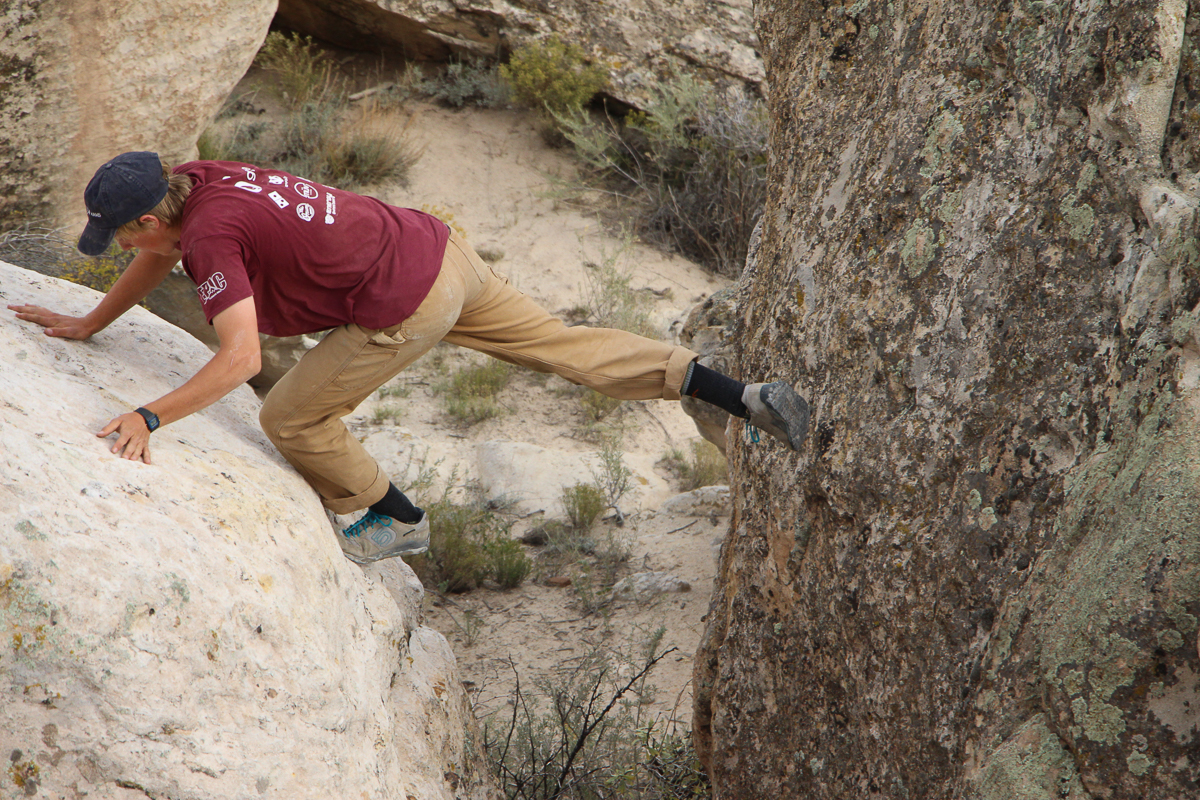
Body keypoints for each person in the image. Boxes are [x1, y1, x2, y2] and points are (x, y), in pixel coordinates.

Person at [8, 152, 810, 565]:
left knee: (288, 413)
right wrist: (90, 322)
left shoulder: (211, 235)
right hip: (439, 248)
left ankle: (395, 520)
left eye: (119, 233)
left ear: (149, 214)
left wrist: (151, 416)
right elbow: (158, 257)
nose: (121, 248)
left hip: (404, 302)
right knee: (561, 346)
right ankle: (727, 393)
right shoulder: (195, 183)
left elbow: (240, 355)